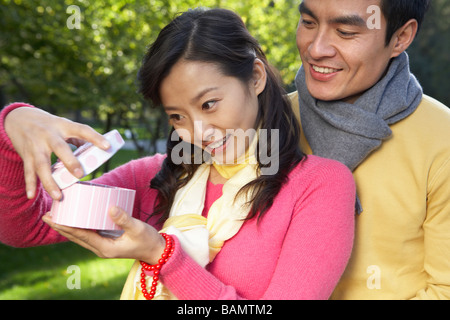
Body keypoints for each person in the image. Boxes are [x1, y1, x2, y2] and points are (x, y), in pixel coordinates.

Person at [0, 8, 356, 300]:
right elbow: (28, 226)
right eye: (177, 116)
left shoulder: (319, 185)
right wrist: (13, 128)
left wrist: (163, 257)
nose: (197, 132)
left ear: (256, 77)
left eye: (210, 103)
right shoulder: (161, 178)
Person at [290, 0, 450, 299]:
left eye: (346, 32)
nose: (316, 49)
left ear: (401, 37)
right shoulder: (267, 123)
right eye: (309, 23)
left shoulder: (442, 140)